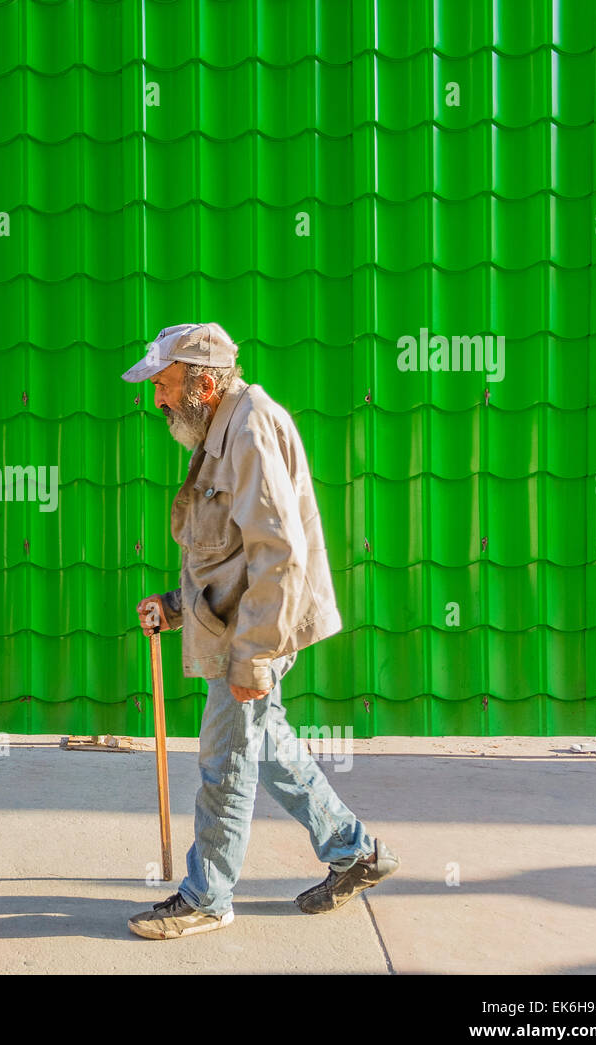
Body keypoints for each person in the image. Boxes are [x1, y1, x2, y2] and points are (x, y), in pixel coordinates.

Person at [121, 323, 398, 940]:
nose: (158, 399)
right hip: (245, 624)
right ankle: (354, 852)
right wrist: (176, 604)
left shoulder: (248, 431)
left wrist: (252, 658)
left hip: (255, 632)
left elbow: (278, 555)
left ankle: (207, 898)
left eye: (165, 385)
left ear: (204, 383)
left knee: (225, 765)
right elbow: (230, 552)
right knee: (266, 745)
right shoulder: (221, 426)